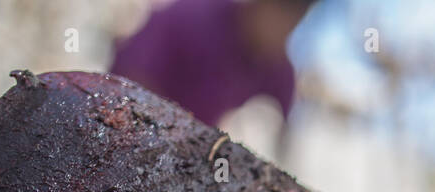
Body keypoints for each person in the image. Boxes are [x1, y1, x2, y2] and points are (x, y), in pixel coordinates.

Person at [110, 0, 315, 129]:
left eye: (293, 21)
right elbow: (129, 77)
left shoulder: (278, 68)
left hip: (208, 172)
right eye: (280, 11)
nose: (282, 29)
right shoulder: (189, 16)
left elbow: (283, 130)